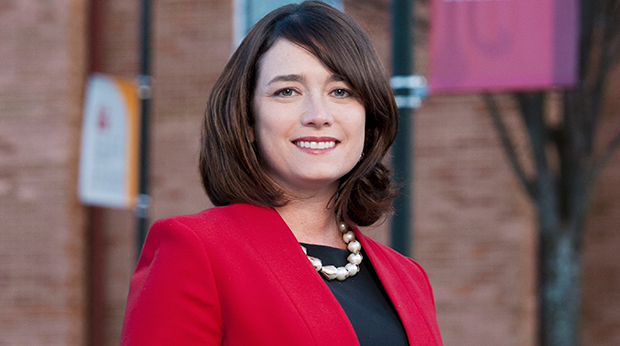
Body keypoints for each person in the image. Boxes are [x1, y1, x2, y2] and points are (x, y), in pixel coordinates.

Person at [120, 1, 442, 345]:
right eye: (287, 91)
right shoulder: (196, 251)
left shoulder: (409, 277)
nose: (318, 115)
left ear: (368, 117)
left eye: (341, 91)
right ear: (247, 121)